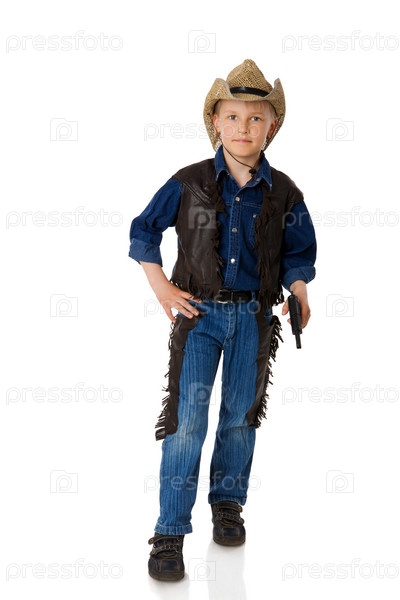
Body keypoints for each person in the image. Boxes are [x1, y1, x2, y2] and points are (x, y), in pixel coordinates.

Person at [129, 59, 317, 582]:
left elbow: (298, 253)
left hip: (255, 320)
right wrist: (160, 285)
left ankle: (227, 503)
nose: (243, 128)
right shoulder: (188, 182)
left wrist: (299, 288)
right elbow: (143, 230)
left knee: (239, 417)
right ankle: (169, 530)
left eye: (256, 118)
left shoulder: (285, 192)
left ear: (271, 126)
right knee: (187, 420)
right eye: (233, 116)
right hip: (200, 316)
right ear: (216, 121)